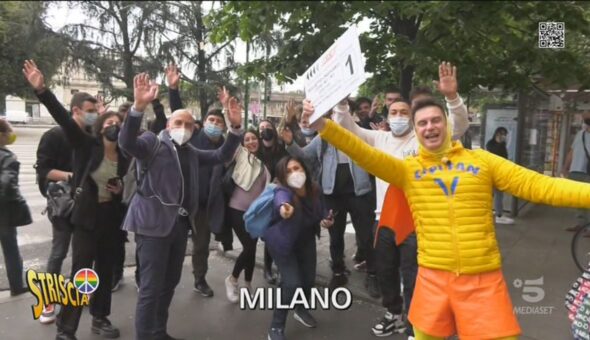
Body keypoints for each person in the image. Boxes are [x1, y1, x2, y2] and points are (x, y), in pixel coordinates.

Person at [304, 97, 590, 340]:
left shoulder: (482, 161)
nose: (430, 127)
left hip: (483, 283)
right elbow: (362, 152)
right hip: (432, 282)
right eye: (423, 123)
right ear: (416, 131)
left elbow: (542, 186)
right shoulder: (407, 170)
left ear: (447, 124)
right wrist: (322, 126)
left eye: (435, 120)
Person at [329, 62, 469, 338]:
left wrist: (452, 97)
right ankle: (393, 312)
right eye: (394, 112)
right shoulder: (378, 138)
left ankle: (416, 322)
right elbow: (346, 129)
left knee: (413, 274)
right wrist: (342, 103)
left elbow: (459, 125)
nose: (398, 116)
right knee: (385, 270)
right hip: (384, 219)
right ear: (387, 115)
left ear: (413, 117)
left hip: (418, 220)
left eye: (404, 112)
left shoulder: (424, 139)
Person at [119, 73, 242, 340]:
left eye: (188, 124)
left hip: (179, 227)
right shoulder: (153, 143)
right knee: (151, 288)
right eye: (178, 122)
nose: (183, 128)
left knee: (169, 284)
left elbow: (222, 154)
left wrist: (234, 128)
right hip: (152, 226)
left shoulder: (191, 152)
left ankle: (158, 331)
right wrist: (138, 108)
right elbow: (127, 143)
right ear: (168, 125)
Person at [24, 60, 129, 340]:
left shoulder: (125, 156)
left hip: (111, 220)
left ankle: (100, 319)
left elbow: (129, 187)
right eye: (107, 122)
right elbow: (62, 117)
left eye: (117, 124)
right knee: (83, 274)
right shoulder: (86, 144)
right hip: (86, 220)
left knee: (105, 273)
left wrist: (121, 190)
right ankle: (66, 327)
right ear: (99, 127)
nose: (112, 126)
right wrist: (42, 91)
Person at [282, 113, 377, 294]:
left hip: (360, 193)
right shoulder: (323, 138)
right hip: (332, 194)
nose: (338, 119)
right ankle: (338, 272)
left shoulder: (359, 135)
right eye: (334, 116)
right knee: (335, 236)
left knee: (366, 237)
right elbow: (304, 156)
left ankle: (373, 275)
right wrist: (289, 143)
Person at [166, 63, 231, 297]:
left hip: (205, 206)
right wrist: (173, 90)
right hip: (181, 202)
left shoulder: (225, 147)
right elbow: (178, 117)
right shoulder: (192, 139)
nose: (214, 125)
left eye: (219, 122)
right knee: (172, 243)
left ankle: (199, 279)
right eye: (211, 121)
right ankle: (157, 278)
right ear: (202, 124)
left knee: (201, 246)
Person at [266, 155, 334, 340]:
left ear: (304, 169)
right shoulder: (283, 191)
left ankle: (300, 309)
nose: (294, 173)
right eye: (288, 171)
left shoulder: (314, 188)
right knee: (292, 284)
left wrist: (326, 220)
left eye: (297, 168)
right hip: (282, 243)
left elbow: (322, 211)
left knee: (308, 280)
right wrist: (284, 208)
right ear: (282, 176)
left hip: (305, 240)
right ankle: (276, 327)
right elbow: (281, 200)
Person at [35, 93, 86, 323]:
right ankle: (47, 302)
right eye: (90, 110)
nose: (94, 115)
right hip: (63, 204)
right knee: (59, 252)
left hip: (87, 204)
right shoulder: (54, 135)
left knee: (83, 254)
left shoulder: (89, 137)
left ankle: (78, 297)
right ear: (76, 110)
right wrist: (74, 177)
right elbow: (44, 171)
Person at [224, 129, 270, 302]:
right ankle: (232, 279)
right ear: (243, 143)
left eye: (254, 138)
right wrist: (233, 124)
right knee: (249, 247)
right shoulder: (241, 155)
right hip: (236, 210)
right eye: (247, 139)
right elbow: (231, 140)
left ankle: (247, 284)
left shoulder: (264, 163)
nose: (251, 141)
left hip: (254, 213)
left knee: (251, 248)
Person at [0, 119, 32, 297]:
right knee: (10, 249)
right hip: (3, 211)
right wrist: (16, 200)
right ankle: (16, 286)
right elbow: (7, 183)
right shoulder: (7, 156)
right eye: (9, 131)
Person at [258, 119, 289, 284]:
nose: (264, 130)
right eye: (261, 128)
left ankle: (281, 267)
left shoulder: (281, 149)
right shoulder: (257, 150)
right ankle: (268, 268)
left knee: (280, 232)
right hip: (262, 197)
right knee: (268, 234)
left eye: (268, 127)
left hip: (279, 195)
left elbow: (287, 165)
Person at [563, 112, 590, 232]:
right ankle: (581, 223)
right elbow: (572, 152)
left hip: (587, 173)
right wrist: (566, 167)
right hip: (575, 170)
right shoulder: (580, 134)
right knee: (577, 199)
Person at [486, 127, 514, 224]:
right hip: (492, 173)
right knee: (495, 194)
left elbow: (504, 157)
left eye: (505, 135)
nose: (504, 136)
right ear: (497, 134)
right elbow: (494, 155)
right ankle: (498, 215)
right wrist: (499, 143)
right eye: (502, 134)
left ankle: (497, 213)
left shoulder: (502, 144)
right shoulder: (490, 144)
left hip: (500, 173)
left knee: (497, 194)